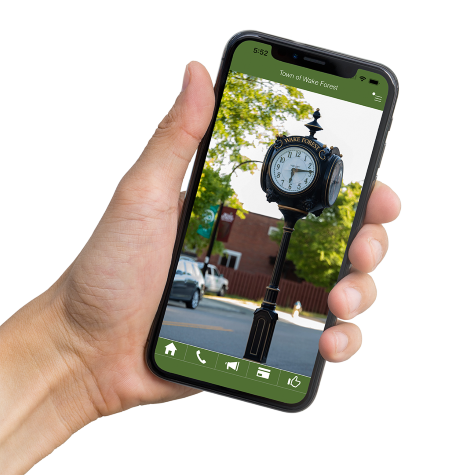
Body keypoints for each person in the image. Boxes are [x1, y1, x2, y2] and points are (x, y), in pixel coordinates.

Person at [0, 61, 401, 473]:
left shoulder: (306, 174)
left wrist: (69, 353)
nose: (294, 175)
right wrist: (72, 342)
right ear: (274, 172)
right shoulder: (293, 169)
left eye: (300, 173)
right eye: (289, 170)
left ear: (324, 184)